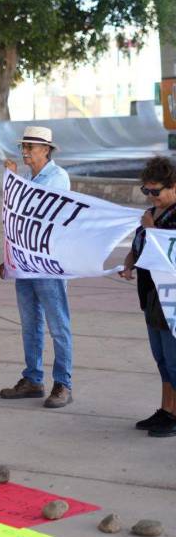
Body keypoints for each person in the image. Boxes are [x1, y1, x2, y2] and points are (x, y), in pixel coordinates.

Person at [0, 126, 74, 408]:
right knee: (31, 324)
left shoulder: (57, 178)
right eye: (24, 147)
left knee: (57, 325)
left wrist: (12, 182)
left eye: (31, 147)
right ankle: (33, 378)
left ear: (46, 149)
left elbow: (38, 210)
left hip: (47, 262)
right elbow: (17, 221)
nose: (26, 152)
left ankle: (63, 382)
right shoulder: (31, 177)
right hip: (26, 261)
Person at [119, 156, 176, 437]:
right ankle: (166, 410)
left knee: (174, 359)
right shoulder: (152, 215)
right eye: (147, 191)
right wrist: (129, 261)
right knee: (162, 359)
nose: (152, 197)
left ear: (174, 187)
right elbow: (140, 245)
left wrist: (151, 227)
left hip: (171, 298)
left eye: (156, 191)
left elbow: (169, 253)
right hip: (152, 295)